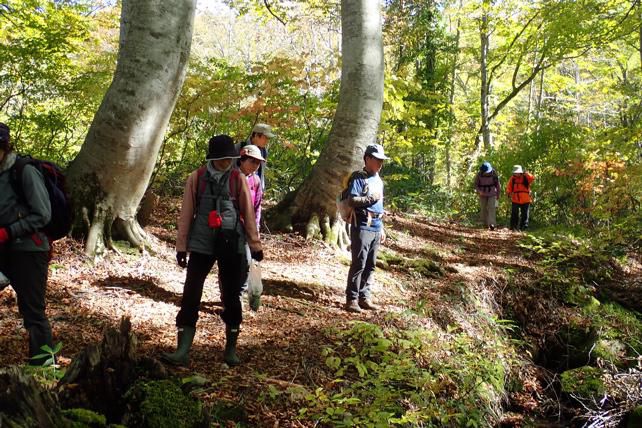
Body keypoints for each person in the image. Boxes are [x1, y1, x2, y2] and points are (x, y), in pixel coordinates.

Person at [162, 135, 263, 367]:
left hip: (231, 243)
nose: (227, 162)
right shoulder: (196, 178)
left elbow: (248, 213)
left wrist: (254, 246)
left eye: (229, 158)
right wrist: (181, 246)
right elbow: (187, 213)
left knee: (230, 295)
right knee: (191, 292)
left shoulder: (238, 179)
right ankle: (182, 350)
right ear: (213, 158)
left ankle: (230, 350)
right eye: (222, 159)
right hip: (201, 242)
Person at [0, 122, 54, 365]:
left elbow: (43, 214)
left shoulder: (24, 170)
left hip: (30, 250)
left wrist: (9, 231)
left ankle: (44, 365)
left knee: (32, 311)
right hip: (4, 249)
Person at [345, 143, 388, 313]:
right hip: (362, 225)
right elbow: (352, 200)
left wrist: (382, 228)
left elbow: (380, 206)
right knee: (359, 263)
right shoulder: (358, 177)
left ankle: (364, 297)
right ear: (367, 159)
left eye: (382, 160)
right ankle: (352, 299)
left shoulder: (378, 180)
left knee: (370, 264)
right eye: (377, 159)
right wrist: (371, 198)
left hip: (376, 226)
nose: (380, 163)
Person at [236, 123, 275, 191]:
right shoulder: (239, 147)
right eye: (265, 137)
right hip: (237, 187)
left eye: (268, 138)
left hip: (254, 188)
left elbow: (261, 171)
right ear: (256, 135)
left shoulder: (264, 151)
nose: (267, 141)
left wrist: (261, 188)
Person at [506, 165, 535, 231]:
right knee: (514, 213)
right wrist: (508, 193)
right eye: (515, 172)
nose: (516, 173)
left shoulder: (525, 177)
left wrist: (526, 173)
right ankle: (513, 227)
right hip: (515, 198)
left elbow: (532, 178)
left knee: (525, 214)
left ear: (521, 172)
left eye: (517, 172)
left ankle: (523, 228)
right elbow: (509, 187)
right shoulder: (512, 178)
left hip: (525, 198)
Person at [475, 161, 500, 230]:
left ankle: (492, 224)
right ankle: (484, 223)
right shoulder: (479, 174)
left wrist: (498, 195)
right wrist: (479, 191)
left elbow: (498, 185)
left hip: (492, 193)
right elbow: (476, 184)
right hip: (482, 193)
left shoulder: (494, 173)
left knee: (491, 208)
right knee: (483, 208)